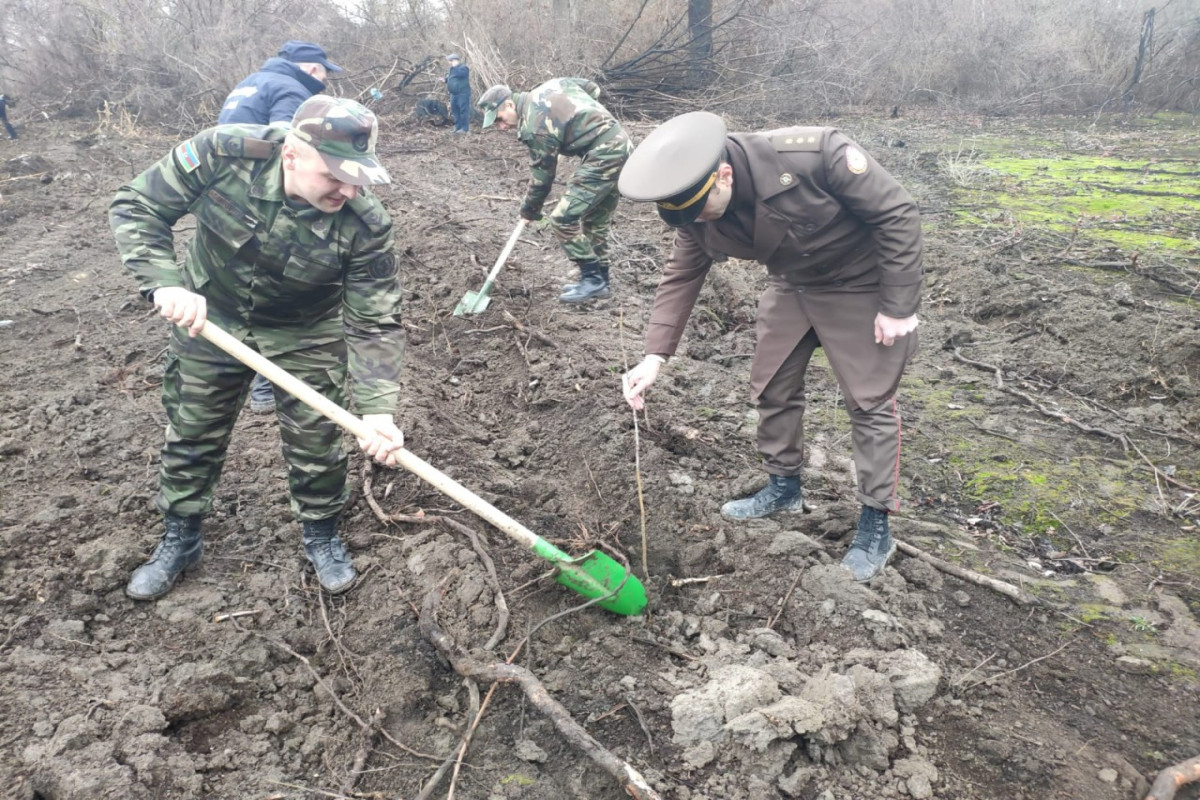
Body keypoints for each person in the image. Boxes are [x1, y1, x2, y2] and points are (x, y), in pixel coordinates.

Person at [110, 95, 405, 600]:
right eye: (334, 175)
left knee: (317, 442)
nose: (348, 189)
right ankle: (181, 537)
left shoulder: (366, 225)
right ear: (291, 155)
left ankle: (321, 534)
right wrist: (164, 282)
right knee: (192, 430)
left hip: (304, 330)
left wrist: (378, 411)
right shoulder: (224, 154)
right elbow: (138, 205)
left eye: (358, 176)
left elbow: (374, 319)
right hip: (210, 315)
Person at [618, 112, 922, 583]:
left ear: (725, 175)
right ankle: (784, 488)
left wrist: (898, 307)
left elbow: (896, 213)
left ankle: (876, 524)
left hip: (862, 284)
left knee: (869, 401)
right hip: (794, 284)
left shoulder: (814, 154)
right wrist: (655, 355)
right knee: (772, 383)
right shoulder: (695, 208)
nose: (697, 223)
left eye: (703, 210)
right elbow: (681, 273)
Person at [218, 40, 344, 412]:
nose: (324, 79)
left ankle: (227, 370)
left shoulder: (251, 83)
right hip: (265, 203)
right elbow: (285, 151)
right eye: (323, 71)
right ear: (310, 69)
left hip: (228, 197)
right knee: (281, 285)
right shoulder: (290, 91)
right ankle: (264, 383)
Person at [476, 79, 631, 303]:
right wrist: (585, 120)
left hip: (604, 155)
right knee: (595, 219)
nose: (501, 127)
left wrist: (529, 211)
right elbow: (591, 88)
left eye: (499, 119)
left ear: (509, 105)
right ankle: (601, 281)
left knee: (562, 218)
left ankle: (592, 279)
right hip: (622, 144)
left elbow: (543, 178)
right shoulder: (550, 86)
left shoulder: (533, 125)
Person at [444, 54, 470, 134]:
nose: (450, 63)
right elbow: (451, 78)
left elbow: (461, 75)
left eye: (451, 61)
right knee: (455, 111)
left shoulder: (464, 68)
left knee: (463, 111)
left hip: (462, 93)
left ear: (456, 60)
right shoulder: (452, 69)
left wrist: (455, 67)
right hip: (453, 94)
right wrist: (445, 80)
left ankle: (464, 129)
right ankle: (457, 128)